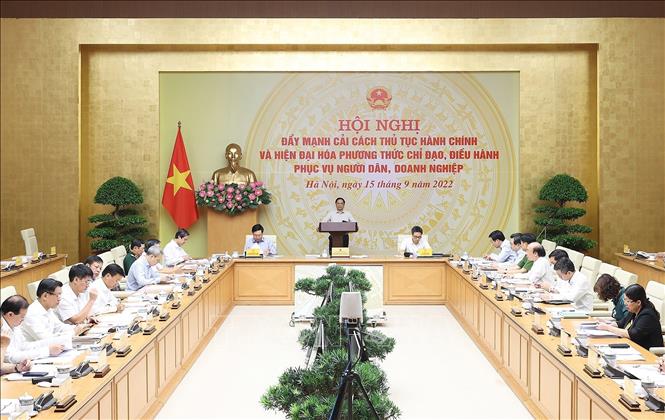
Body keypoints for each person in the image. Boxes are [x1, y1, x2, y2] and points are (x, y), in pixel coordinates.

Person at [597, 284, 664, 350]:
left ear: (638, 302)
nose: (625, 303)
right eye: (624, 300)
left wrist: (608, 328)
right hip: (633, 347)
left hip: (646, 352)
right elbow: (621, 323)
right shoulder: (634, 310)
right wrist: (607, 323)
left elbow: (632, 334)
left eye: (628, 301)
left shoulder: (647, 315)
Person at [1, 294, 55, 366]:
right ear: (10, 314)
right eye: (22, 317)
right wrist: (46, 351)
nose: (23, 320)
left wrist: (48, 347)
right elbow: (11, 358)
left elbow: (23, 346)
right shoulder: (2, 329)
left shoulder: (15, 325)